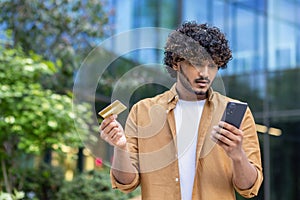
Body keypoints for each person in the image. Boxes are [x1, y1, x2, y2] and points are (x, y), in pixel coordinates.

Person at [99, 21, 263, 199]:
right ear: (176, 63)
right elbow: (126, 183)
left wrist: (237, 155)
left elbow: (249, 188)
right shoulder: (143, 111)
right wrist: (121, 147)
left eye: (213, 66)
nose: (205, 74)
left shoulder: (238, 113)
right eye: (197, 64)